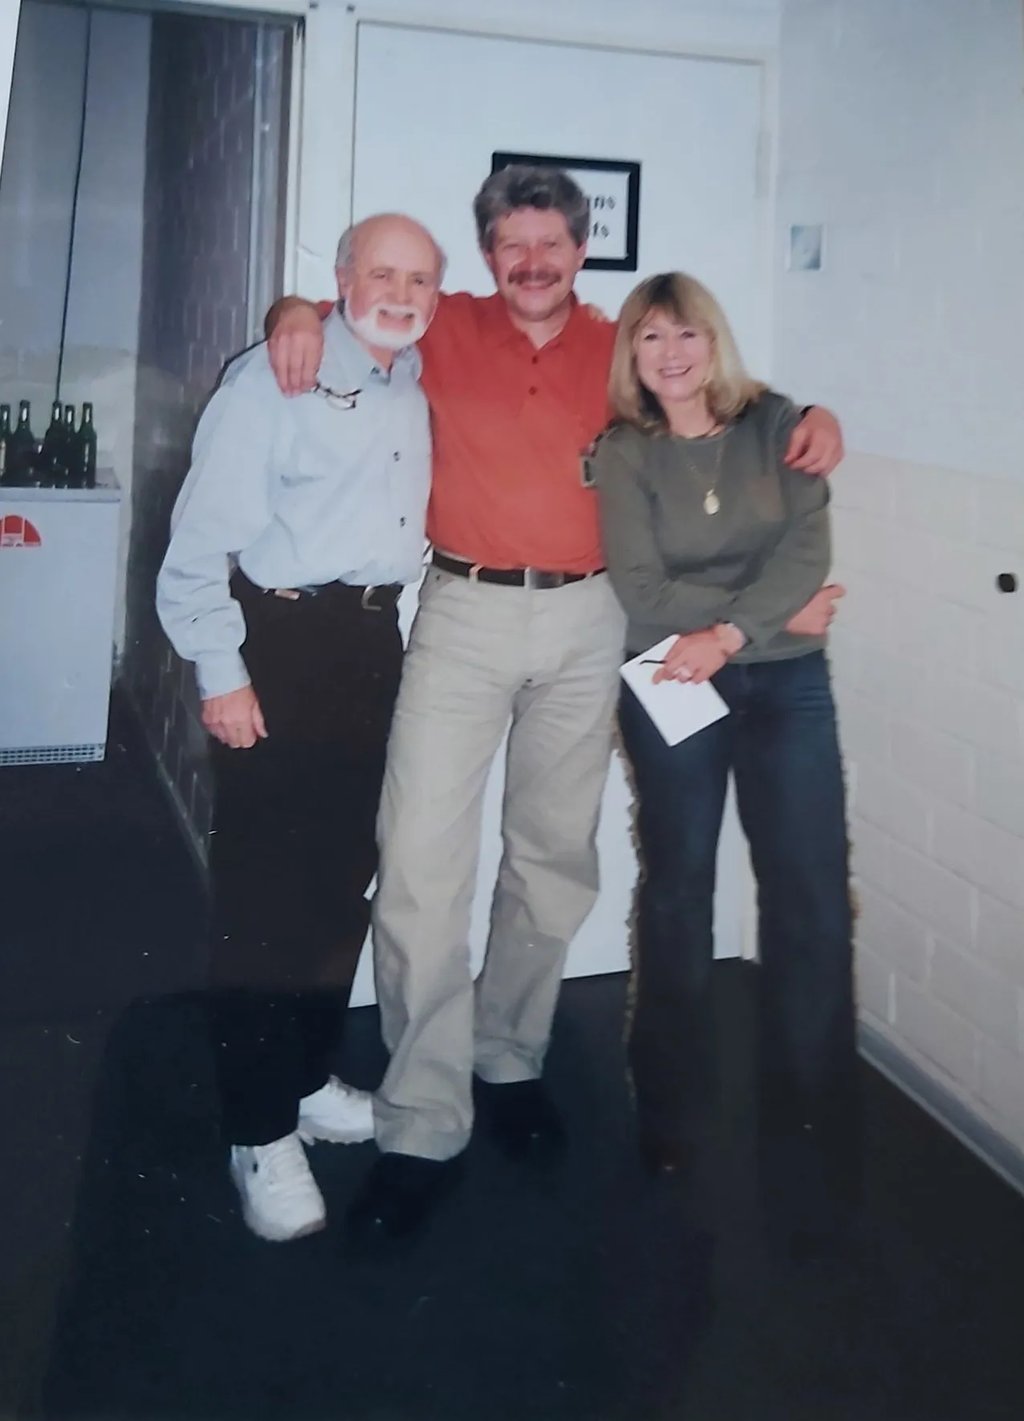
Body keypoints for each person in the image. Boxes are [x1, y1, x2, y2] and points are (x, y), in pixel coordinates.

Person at [265, 166, 845, 1247]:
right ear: (488, 252)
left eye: (551, 244)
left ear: (582, 249)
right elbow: (348, 308)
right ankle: (422, 1121)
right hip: (461, 609)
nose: (531, 263)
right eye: (511, 245)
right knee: (421, 863)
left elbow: (716, 400)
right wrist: (290, 312)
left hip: (590, 620)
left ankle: (509, 1058)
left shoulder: (619, 350)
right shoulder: (444, 324)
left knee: (549, 855)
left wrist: (810, 415)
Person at [156, 213, 443, 1242]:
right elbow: (197, 544)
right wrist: (220, 673)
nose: (400, 293)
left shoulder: (413, 379)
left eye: (420, 278)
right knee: (263, 899)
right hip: (278, 646)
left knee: (336, 888)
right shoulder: (278, 372)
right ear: (341, 280)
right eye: (382, 272)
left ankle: (309, 1079)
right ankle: (257, 1130)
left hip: (372, 647)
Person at [591, 271, 858, 1251]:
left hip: (785, 681)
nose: (670, 354)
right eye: (651, 337)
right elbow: (640, 586)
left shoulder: (777, 423)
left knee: (810, 891)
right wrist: (743, 626)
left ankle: (811, 1100)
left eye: (687, 334)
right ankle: (668, 1104)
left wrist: (735, 636)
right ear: (632, 353)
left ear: (715, 342)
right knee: (678, 888)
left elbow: (807, 551)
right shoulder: (624, 451)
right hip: (669, 671)